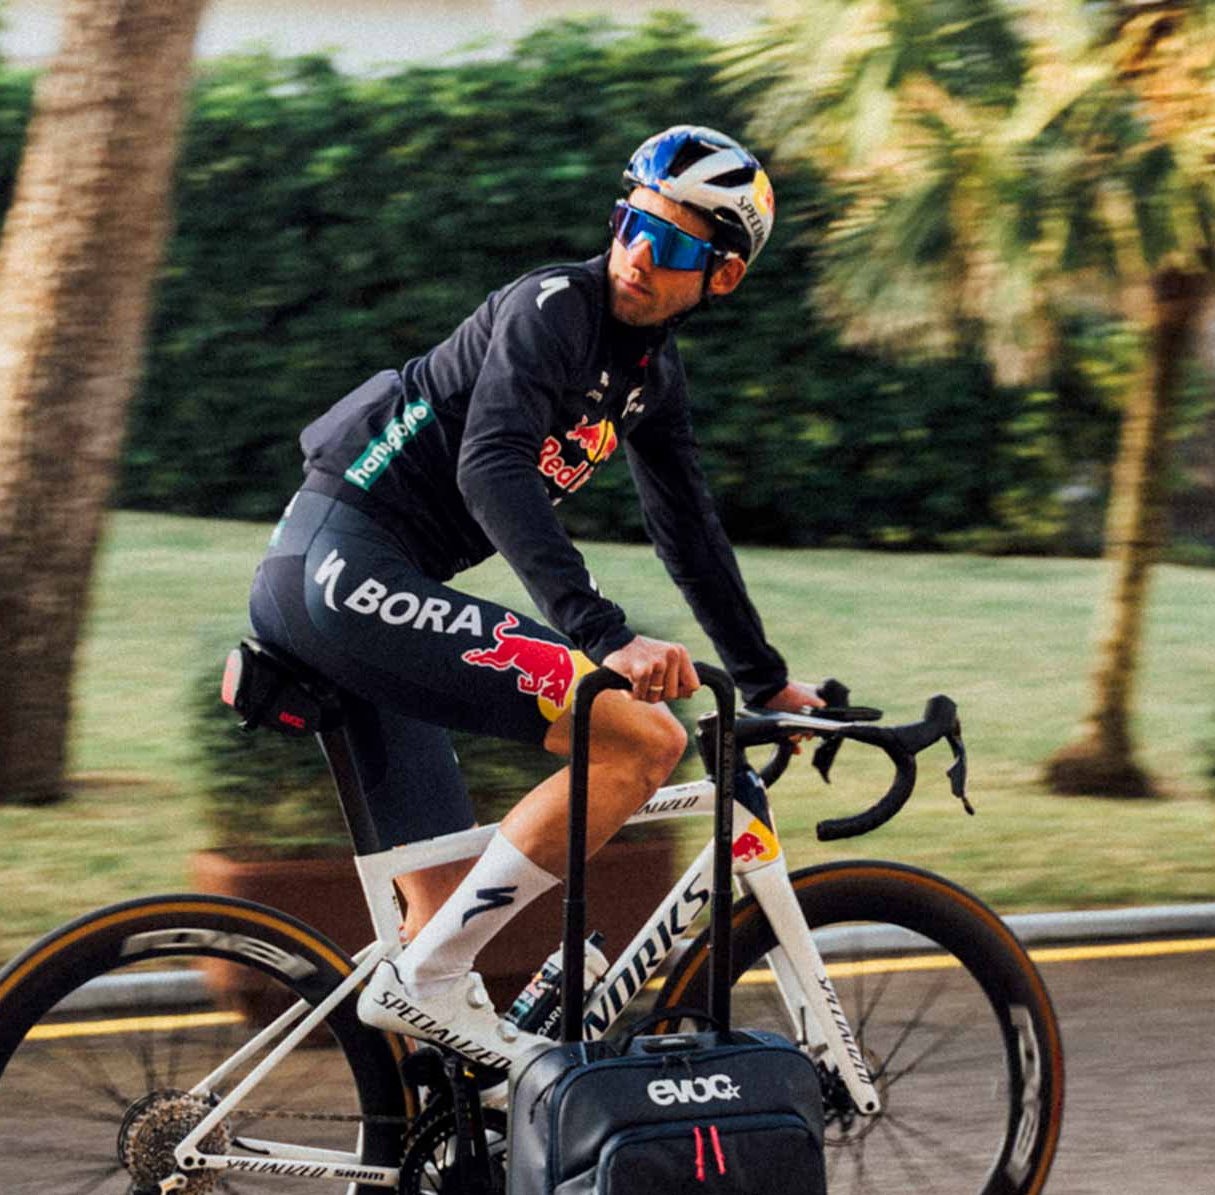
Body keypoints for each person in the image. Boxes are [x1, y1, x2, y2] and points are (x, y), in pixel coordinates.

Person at [244, 124, 826, 1071]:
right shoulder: (553, 307)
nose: (638, 253)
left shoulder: (649, 378)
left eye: (671, 243)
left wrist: (765, 679)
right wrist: (605, 634)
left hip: (363, 592)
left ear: (723, 275)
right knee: (643, 740)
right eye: (632, 223)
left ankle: (422, 1134)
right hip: (341, 573)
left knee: (443, 928)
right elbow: (492, 467)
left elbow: (688, 532)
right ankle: (429, 983)